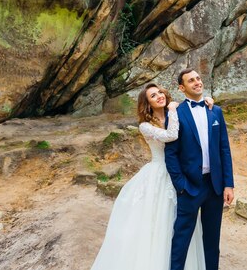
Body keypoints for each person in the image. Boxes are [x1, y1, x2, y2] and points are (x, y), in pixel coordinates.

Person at [90, 83, 213, 270]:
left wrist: (207, 101)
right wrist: (173, 110)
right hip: (159, 174)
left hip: (181, 172)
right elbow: (171, 136)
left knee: (182, 222)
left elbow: (196, 114)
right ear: (147, 104)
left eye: (160, 92)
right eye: (153, 96)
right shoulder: (145, 126)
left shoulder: (178, 110)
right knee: (157, 221)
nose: (159, 96)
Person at [166, 68, 234, 270]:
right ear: (182, 87)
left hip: (214, 186)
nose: (197, 82)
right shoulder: (176, 114)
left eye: (198, 78)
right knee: (181, 238)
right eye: (191, 80)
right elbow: (171, 154)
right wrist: (180, 185)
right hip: (189, 186)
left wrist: (228, 184)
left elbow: (224, 149)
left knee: (212, 240)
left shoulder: (216, 111)